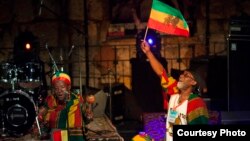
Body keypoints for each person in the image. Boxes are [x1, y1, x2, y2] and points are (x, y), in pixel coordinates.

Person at [140, 40, 209, 141]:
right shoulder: (174, 92)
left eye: (186, 75)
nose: (181, 76)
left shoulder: (196, 103)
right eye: (182, 73)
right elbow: (161, 72)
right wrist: (148, 52)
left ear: (193, 83)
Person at [36, 71, 94, 141]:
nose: (59, 90)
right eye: (56, 88)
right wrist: (40, 114)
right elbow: (42, 114)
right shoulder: (50, 100)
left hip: (76, 137)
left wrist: (88, 115)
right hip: (57, 136)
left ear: (69, 87)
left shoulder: (78, 99)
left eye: (62, 87)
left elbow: (86, 117)